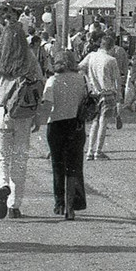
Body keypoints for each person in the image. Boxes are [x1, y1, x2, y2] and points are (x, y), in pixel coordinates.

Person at [0, 23, 45, 219]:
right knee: (20, 159)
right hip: (23, 113)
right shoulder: (30, 60)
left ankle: (2, 185)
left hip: (1, 111)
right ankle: (14, 206)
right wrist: (37, 115)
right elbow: (38, 88)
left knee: (0, 157)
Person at [40, 49, 88, 220]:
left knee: (58, 165)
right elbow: (85, 99)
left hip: (56, 125)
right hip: (76, 124)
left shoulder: (53, 80)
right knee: (74, 165)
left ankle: (60, 203)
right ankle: (71, 204)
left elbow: (47, 104)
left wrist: (38, 121)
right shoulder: (81, 79)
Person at [79, 34, 120, 161]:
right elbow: (117, 81)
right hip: (108, 93)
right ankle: (99, 151)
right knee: (103, 122)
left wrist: (88, 78)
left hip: (94, 94)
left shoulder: (91, 56)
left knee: (95, 123)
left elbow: (79, 67)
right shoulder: (111, 60)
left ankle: (90, 151)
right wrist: (119, 97)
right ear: (111, 47)